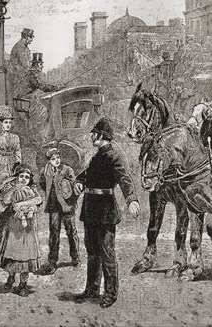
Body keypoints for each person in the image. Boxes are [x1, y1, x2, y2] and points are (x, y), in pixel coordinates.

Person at [73, 118, 141, 308]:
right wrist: (79, 182)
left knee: (107, 253)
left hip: (105, 210)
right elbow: (86, 175)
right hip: (90, 209)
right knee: (92, 252)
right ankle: (92, 290)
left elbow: (125, 178)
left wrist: (132, 199)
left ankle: (110, 293)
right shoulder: (98, 155)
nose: (91, 136)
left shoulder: (115, 155)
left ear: (101, 135)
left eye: (93, 133)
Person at [0, 164, 42, 297]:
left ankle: (23, 284)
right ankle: (11, 277)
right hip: (14, 224)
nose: (24, 179)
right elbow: (6, 200)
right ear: (16, 177)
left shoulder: (32, 189)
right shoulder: (13, 188)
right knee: (12, 252)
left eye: (27, 177)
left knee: (26, 254)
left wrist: (22, 204)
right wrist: (15, 188)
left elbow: (38, 199)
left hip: (28, 227)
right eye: (21, 176)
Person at [39, 147, 79, 275]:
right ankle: (52, 261)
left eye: (57, 158)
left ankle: (75, 256)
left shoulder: (67, 170)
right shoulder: (45, 172)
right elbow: (42, 184)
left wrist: (70, 198)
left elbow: (76, 186)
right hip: (54, 206)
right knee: (54, 233)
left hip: (67, 205)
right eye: (53, 158)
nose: (56, 160)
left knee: (71, 231)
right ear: (49, 160)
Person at [21, 53, 63, 147]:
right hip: (28, 97)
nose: (42, 66)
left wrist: (56, 87)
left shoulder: (37, 74)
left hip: (34, 96)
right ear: (35, 65)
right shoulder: (32, 74)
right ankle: (39, 136)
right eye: (40, 64)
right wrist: (56, 87)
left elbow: (43, 86)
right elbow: (40, 86)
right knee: (41, 111)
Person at [0, 106, 22, 190]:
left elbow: (17, 150)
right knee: (0, 183)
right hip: (0, 163)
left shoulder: (15, 137)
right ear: (2, 124)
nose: (8, 125)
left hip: (13, 162)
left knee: (12, 182)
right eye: (6, 122)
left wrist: (18, 160)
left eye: (9, 122)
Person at [8, 28, 35, 101]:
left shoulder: (23, 46)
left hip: (21, 78)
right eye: (31, 37)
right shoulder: (20, 47)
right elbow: (25, 65)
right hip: (19, 80)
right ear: (26, 37)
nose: (32, 39)